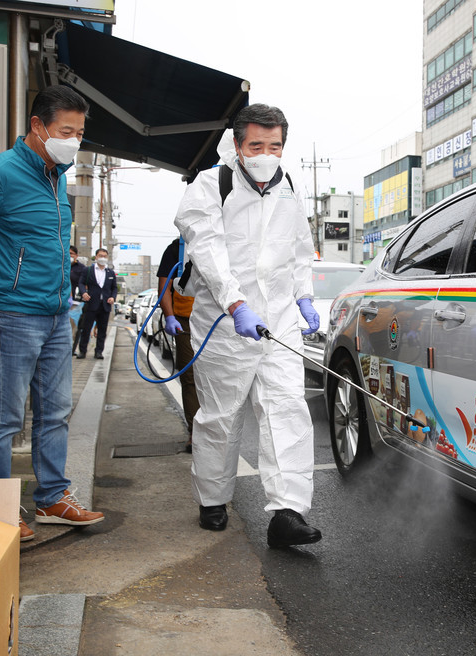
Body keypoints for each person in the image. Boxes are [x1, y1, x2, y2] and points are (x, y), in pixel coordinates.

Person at [0, 85, 104, 542]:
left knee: (55, 412)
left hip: (55, 315)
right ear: (37, 127)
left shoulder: (56, 176)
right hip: (10, 313)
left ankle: (53, 497)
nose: (74, 140)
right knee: (4, 418)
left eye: (79, 132)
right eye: (65, 131)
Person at [173, 104, 321, 548]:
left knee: (287, 409)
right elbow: (209, 251)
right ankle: (213, 498)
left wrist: (305, 295)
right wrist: (237, 304)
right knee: (222, 414)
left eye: (274, 146)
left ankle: (287, 512)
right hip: (223, 321)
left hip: (277, 320)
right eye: (256, 145)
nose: (265, 154)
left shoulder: (290, 186)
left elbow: (298, 248)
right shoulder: (210, 186)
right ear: (237, 144)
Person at [157, 237, 199, 452]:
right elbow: (164, 287)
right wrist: (169, 316)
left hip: (218, 320)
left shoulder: (223, 241)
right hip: (185, 321)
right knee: (190, 376)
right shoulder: (176, 249)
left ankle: (219, 431)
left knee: (218, 377)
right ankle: (195, 432)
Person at [76, 247, 117, 360]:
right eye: (100, 256)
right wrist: (84, 293)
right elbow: (81, 283)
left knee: (102, 330)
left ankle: (99, 351)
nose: (102, 258)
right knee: (86, 328)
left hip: (105, 306)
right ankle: (82, 351)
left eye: (105, 256)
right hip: (91, 304)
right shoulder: (88, 270)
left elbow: (114, 288)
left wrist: (113, 298)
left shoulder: (111, 273)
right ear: (96, 257)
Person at [69, 244, 87, 356]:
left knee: (73, 326)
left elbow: (84, 284)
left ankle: (72, 348)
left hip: (75, 303)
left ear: (76, 255)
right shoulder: (60, 265)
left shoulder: (82, 269)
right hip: (61, 301)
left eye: (71, 253)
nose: (69, 255)